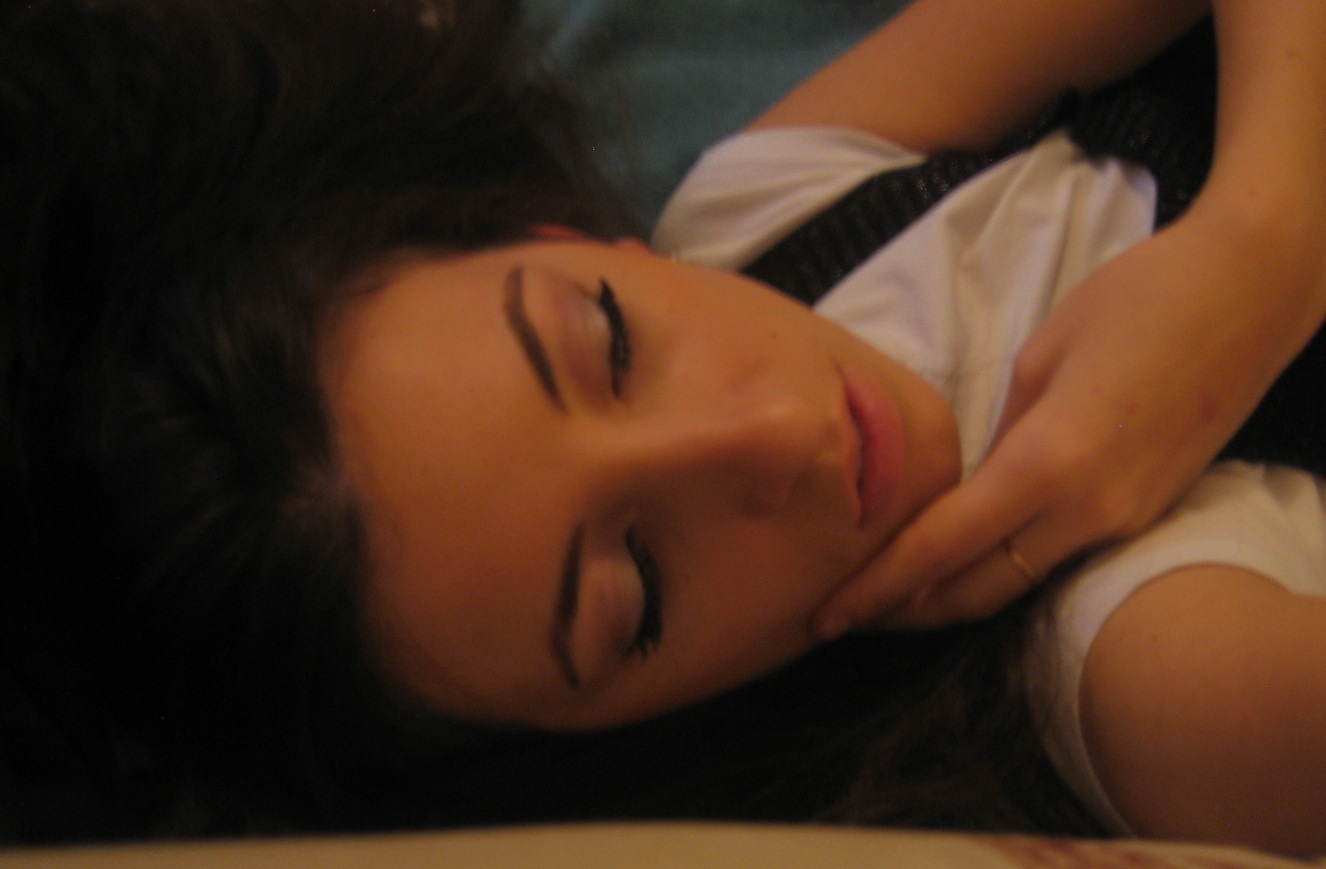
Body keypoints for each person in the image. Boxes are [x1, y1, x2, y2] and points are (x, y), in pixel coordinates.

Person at [2, 0, 1323, 855]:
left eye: (608, 343)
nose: (772, 434)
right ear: (625, 732)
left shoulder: (766, 207)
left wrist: (1265, 237)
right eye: (635, 590)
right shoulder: (1096, 664)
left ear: (561, 235)